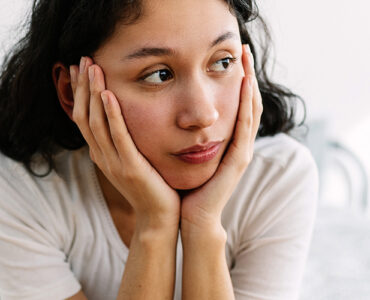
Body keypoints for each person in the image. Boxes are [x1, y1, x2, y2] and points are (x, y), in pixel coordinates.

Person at [0, 0, 318, 299]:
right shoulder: (19, 191)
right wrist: (155, 223)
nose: (203, 114)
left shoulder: (278, 176)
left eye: (223, 61)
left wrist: (203, 224)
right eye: (159, 75)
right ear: (73, 91)